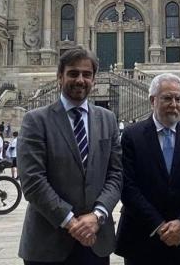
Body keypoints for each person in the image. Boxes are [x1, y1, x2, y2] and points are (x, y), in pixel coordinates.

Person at [17, 46, 122, 264]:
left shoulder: (108, 119)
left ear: (94, 78)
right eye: (73, 73)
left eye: (87, 74)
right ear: (59, 76)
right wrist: (71, 222)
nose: (80, 80)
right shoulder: (35, 120)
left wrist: (98, 215)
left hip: (95, 241)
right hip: (47, 243)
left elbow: (116, 174)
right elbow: (33, 181)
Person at [115, 73, 180, 265]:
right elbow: (127, 187)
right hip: (141, 237)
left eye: (178, 99)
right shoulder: (131, 136)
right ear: (152, 100)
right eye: (167, 98)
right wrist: (158, 225)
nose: (173, 104)